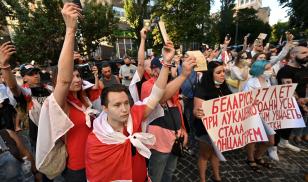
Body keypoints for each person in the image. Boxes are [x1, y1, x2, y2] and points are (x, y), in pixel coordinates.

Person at [85, 28, 176, 181]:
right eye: (117, 105)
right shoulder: (96, 141)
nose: (124, 109)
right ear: (105, 108)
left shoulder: (134, 115)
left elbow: (156, 94)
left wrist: (166, 62)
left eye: (127, 103)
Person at [36, 3, 100, 181]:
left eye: (78, 75)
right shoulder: (60, 103)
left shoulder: (83, 99)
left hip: (95, 161)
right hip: (78, 169)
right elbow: (64, 80)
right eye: (72, 77)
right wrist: (70, 30)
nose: (77, 79)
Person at [193, 61, 232, 182]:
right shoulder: (202, 88)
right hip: (205, 129)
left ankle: (217, 177)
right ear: (210, 74)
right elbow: (196, 109)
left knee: (216, 153)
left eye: (223, 71)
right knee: (205, 155)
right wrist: (197, 113)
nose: (222, 75)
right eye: (218, 72)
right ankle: (203, 179)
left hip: (220, 129)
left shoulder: (225, 87)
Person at [243, 60, 276, 170]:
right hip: (254, 114)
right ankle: (250, 158)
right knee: (253, 139)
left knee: (270, 141)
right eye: (267, 69)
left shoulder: (268, 81)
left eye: (270, 68)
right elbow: (245, 99)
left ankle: (258, 156)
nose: (270, 70)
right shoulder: (250, 82)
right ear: (260, 70)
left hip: (266, 113)